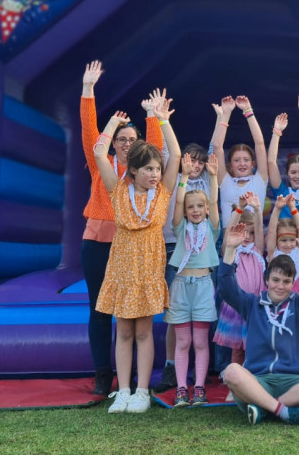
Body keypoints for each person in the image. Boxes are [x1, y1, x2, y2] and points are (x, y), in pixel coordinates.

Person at [79, 60, 163, 396]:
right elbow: (89, 132)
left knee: (133, 314)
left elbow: (154, 146)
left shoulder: (144, 173)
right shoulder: (103, 167)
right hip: (98, 241)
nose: (127, 143)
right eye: (121, 139)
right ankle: (103, 373)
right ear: (113, 143)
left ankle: (130, 382)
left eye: (132, 139)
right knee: (100, 309)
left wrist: (152, 115)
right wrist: (88, 90)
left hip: (132, 246)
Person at [92, 97, 180, 414]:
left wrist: (163, 120)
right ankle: (124, 390)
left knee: (144, 330)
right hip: (122, 267)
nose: (155, 174)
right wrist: (114, 123)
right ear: (134, 171)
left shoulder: (164, 192)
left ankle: (142, 390)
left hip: (149, 268)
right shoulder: (118, 189)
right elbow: (99, 152)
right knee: (124, 331)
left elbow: (178, 154)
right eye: (148, 169)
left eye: (157, 168)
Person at [219, 223, 299, 426]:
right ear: (266, 280)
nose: (280, 286)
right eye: (276, 280)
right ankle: (285, 411)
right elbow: (227, 288)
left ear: (293, 283)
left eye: (286, 281)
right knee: (231, 372)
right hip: (258, 382)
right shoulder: (251, 304)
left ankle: (267, 410)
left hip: (295, 383)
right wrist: (230, 249)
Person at [165, 153, 221, 407]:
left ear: (206, 209)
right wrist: (184, 177)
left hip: (203, 286)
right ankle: (181, 389)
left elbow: (216, 200)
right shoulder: (180, 227)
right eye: (191, 207)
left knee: (199, 341)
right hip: (180, 287)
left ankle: (199, 387)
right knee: (183, 341)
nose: (195, 211)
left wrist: (212, 176)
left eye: (200, 206)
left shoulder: (212, 226)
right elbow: (177, 204)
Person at [214, 192, 266, 370]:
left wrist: (258, 209)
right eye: (244, 232)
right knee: (237, 348)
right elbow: (230, 230)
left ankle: (254, 375)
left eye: (250, 233)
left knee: (254, 345)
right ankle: (235, 377)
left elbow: (259, 228)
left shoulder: (257, 249)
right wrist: (240, 208)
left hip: (255, 305)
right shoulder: (231, 250)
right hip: (237, 306)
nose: (247, 236)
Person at [214, 95, 269, 227]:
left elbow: (260, 144)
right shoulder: (224, 181)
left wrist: (248, 111)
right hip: (228, 242)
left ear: (253, 164)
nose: (242, 163)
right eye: (237, 160)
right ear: (231, 166)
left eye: (246, 160)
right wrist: (226, 113)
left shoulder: (260, 179)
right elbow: (217, 147)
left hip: (254, 242)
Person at [268, 112, 299, 230]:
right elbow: (271, 162)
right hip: (288, 245)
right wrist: (276, 132)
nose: (297, 176)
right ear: (287, 174)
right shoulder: (282, 192)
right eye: (293, 172)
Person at [266, 194, 299, 294]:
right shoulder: (274, 253)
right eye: (283, 240)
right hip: (278, 293)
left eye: (292, 240)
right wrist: (277, 209)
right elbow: (272, 231)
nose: (288, 244)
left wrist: (292, 207)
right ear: (276, 240)